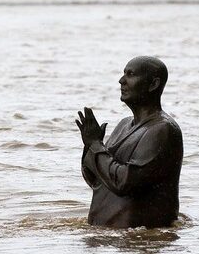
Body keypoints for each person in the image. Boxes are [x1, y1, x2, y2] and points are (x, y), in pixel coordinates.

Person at [76, 56, 183, 228]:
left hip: (141, 241)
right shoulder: (123, 125)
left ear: (153, 84)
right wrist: (90, 145)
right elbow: (96, 180)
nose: (121, 81)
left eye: (131, 74)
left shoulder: (162, 130)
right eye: (123, 74)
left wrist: (96, 146)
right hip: (110, 240)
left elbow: (124, 182)